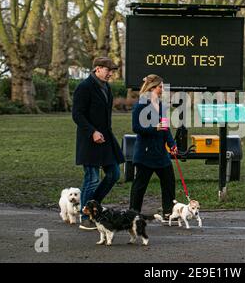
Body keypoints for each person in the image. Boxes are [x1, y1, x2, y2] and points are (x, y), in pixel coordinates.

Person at [72, 57, 125, 230]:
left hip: (105, 138)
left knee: (114, 174)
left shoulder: (106, 87)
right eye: (108, 70)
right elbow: (77, 115)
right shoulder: (84, 87)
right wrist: (92, 132)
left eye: (112, 71)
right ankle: (85, 216)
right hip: (89, 140)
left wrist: (102, 133)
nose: (111, 74)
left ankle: (94, 207)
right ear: (98, 69)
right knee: (92, 179)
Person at [129, 74, 178, 221]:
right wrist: (154, 127)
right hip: (145, 153)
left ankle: (169, 212)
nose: (163, 89)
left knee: (169, 182)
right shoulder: (140, 105)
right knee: (139, 186)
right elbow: (136, 128)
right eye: (160, 87)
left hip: (160, 153)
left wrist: (171, 144)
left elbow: (165, 127)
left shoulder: (162, 105)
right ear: (152, 88)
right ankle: (133, 214)